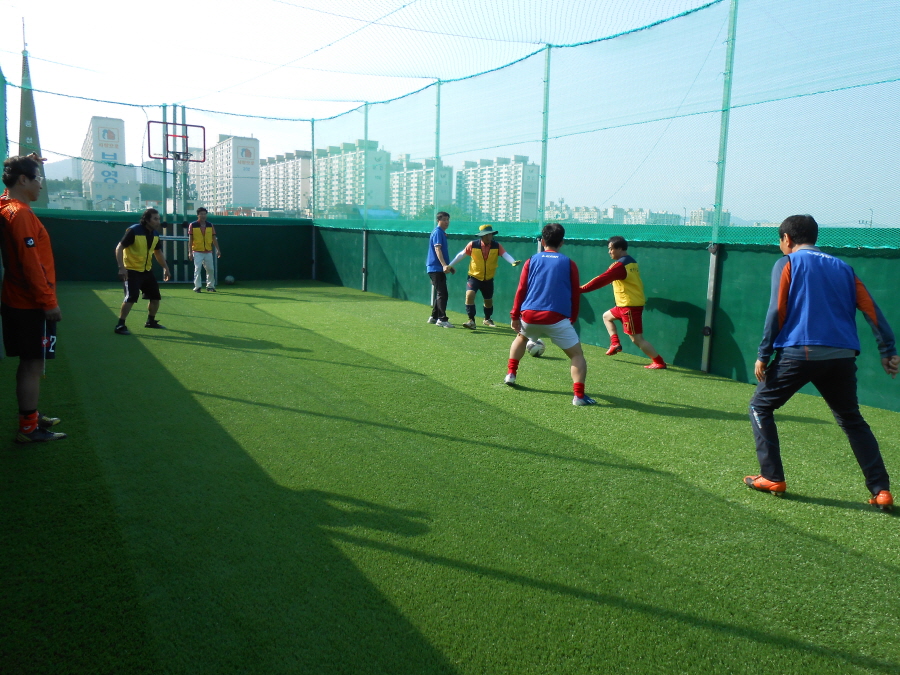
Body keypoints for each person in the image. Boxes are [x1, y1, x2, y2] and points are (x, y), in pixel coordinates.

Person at [745, 214, 897, 511]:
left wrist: (764, 354)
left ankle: (772, 477)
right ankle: (881, 490)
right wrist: (887, 349)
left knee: (759, 407)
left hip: (799, 353)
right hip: (842, 356)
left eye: (780, 240)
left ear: (787, 239)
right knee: (852, 420)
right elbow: (871, 309)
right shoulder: (844, 267)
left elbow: (777, 311)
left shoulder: (787, 263)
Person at [0, 154, 66, 442]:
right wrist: (48, 302)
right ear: (23, 180)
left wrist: (23, 161)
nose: (41, 184)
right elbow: (31, 265)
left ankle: (30, 415)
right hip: (29, 304)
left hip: (16, 300)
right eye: (37, 178)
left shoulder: (6, 206)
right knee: (32, 365)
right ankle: (28, 428)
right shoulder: (22, 215)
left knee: (28, 363)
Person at [506, 223, 596, 406]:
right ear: (562, 242)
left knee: (521, 338)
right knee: (577, 355)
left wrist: (515, 315)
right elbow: (575, 293)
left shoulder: (531, 261)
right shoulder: (569, 263)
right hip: (557, 318)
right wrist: (573, 317)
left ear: (542, 241)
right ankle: (579, 396)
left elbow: (521, 290)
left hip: (530, 315)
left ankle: (511, 374)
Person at [580, 236, 667, 369]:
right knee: (606, 316)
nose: (609, 252)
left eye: (611, 249)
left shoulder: (620, 265)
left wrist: (581, 289)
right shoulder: (631, 262)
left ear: (620, 248)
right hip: (623, 305)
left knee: (637, 339)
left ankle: (659, 362)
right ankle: (615, 343)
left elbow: (602, 279)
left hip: (629, 306)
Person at [447, 224, 520, 328]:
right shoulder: (473, 245)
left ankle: (487, 319)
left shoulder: (496, 245)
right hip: (474, 276)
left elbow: (505, 254)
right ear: (482, 236)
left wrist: (513, 262)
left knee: (488, 301)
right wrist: (450, 265)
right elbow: (461, 254)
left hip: (488, 279)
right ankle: (471, 320)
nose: (490, 237)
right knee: (469, 295)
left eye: (491, 234)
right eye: (487, 235)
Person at [114, 208, 172, 335]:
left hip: (146, 271)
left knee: (155, 297)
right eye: (155, 219)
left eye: (159, 219)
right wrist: (121, 268)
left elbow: (158, 252)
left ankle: (150, 321)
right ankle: (120, 325)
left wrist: (166, 268)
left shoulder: (155, 234)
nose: (158, 222)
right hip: (131, 270)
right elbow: (119, 248)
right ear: (147, 220)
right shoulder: (134, 231)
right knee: (131, 297)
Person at [426, 211, 454, 328]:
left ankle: (434, 317)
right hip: (435, 268)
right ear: (438, 221)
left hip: (438, 268)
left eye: (448, 220)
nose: (447, 222)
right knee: (443, 293)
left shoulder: (441, 233)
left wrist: (448, 266)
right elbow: (438, 249)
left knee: (440, 293)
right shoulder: (438, 232)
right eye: (444, 220)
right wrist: (443, 265)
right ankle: (442, 319)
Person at [188, 207, 222, 292]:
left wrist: (218, 249)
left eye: (204, 214)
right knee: (197, 269)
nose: (203, 216)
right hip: (197, 250)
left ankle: (210, 286)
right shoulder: (192, 225)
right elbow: (190, 239)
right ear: (198, 215)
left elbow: (214, 238)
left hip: (208, 251)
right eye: (201, 214)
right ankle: (197, 287)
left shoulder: (210, 225)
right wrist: (190, 252)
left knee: (210, 269)